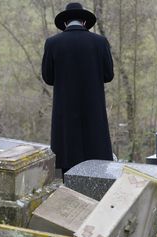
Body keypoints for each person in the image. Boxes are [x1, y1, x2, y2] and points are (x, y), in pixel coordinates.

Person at [41, 2, 114, 175]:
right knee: (97, 169)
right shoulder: (100, 42)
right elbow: (108, 75)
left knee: (68, 166)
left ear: (65, 23)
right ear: (84, 22)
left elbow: (48, 78)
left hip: (65, 117)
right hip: (94, 113)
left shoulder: (52, 43)